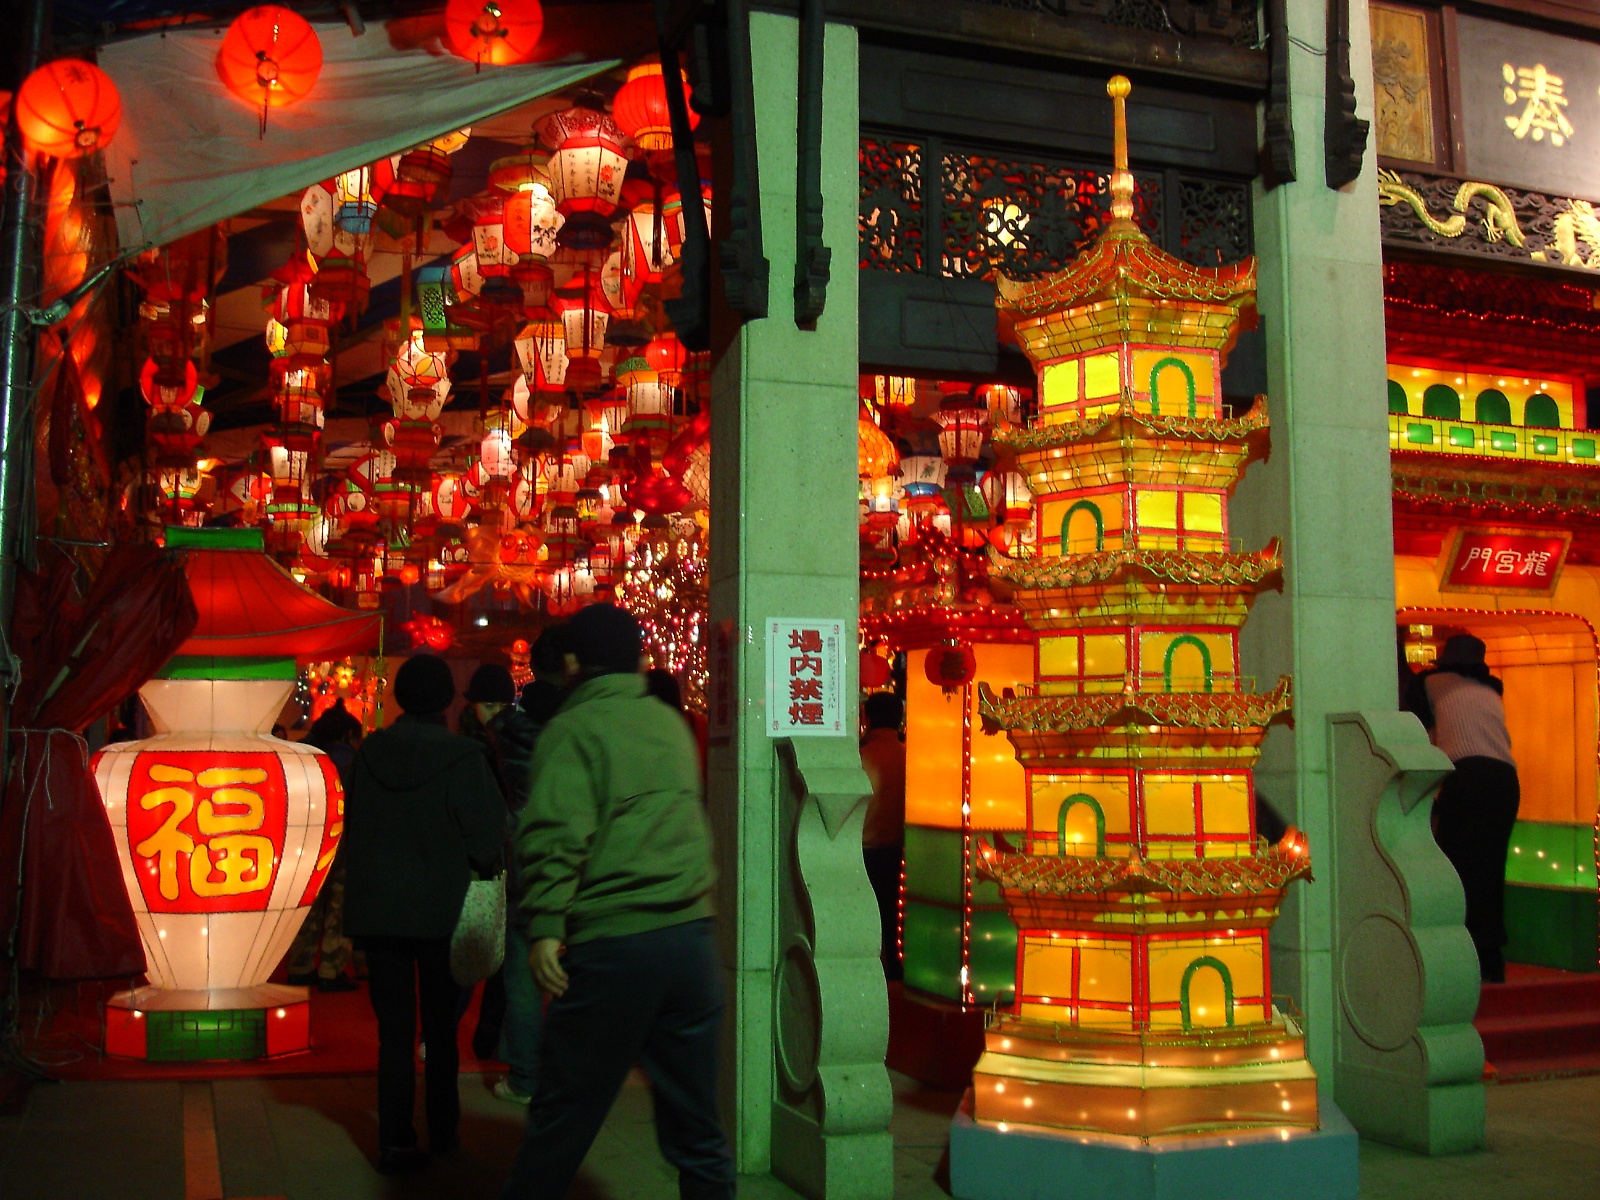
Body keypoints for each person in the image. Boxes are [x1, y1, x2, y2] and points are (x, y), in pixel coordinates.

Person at [501, 603, 733, 1200]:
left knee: (564, 1116)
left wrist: (547, 922)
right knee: (698, 1129)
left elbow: (556, 833)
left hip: (614, 946)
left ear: (574, 661)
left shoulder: (573, 730)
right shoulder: (669, 724)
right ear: (637, 659)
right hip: (691, 942)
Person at [342, 653, 506, 1174]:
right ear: (446, 701)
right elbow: (485, 844)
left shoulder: (369, 755)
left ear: (399, 698)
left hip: (378, 910)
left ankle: (393, 1140)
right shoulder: (463, 759)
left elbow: (355, 827)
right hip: (443, 912)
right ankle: (443, 1131)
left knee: (394, 1032)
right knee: (438, 1029)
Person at [1405, 633, 1521, 983]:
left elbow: (1416, 733)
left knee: (1456, 866)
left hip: (1467, 775)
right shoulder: (1490, 689)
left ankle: (1459, 954)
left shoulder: (1431, 682)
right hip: (1505, 779)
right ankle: (1490, 957)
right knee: (1489, 866)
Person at [460, 661, 544, 1102]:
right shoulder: (536, 730)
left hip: (523, 866)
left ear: (483, 705)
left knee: (520, 973)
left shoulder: (500, 739)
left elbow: (509, 807)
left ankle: (526, 1075)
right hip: (559, 861)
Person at [286, 701, 364, 991]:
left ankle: (299, 965)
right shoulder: (350, 761)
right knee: (339, 904)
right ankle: (331, 968)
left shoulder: (301, 755)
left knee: (307, 903)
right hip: (341, 837)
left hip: (304, 839)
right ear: (347, 735)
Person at [859, 691, 907, 982]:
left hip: (864, 851)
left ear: (867, 717)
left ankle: (869, 975)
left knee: (867, 918)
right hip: (901, 850)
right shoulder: (909, 757)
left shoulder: (860, 757)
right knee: (893, 919)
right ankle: (896, 975)